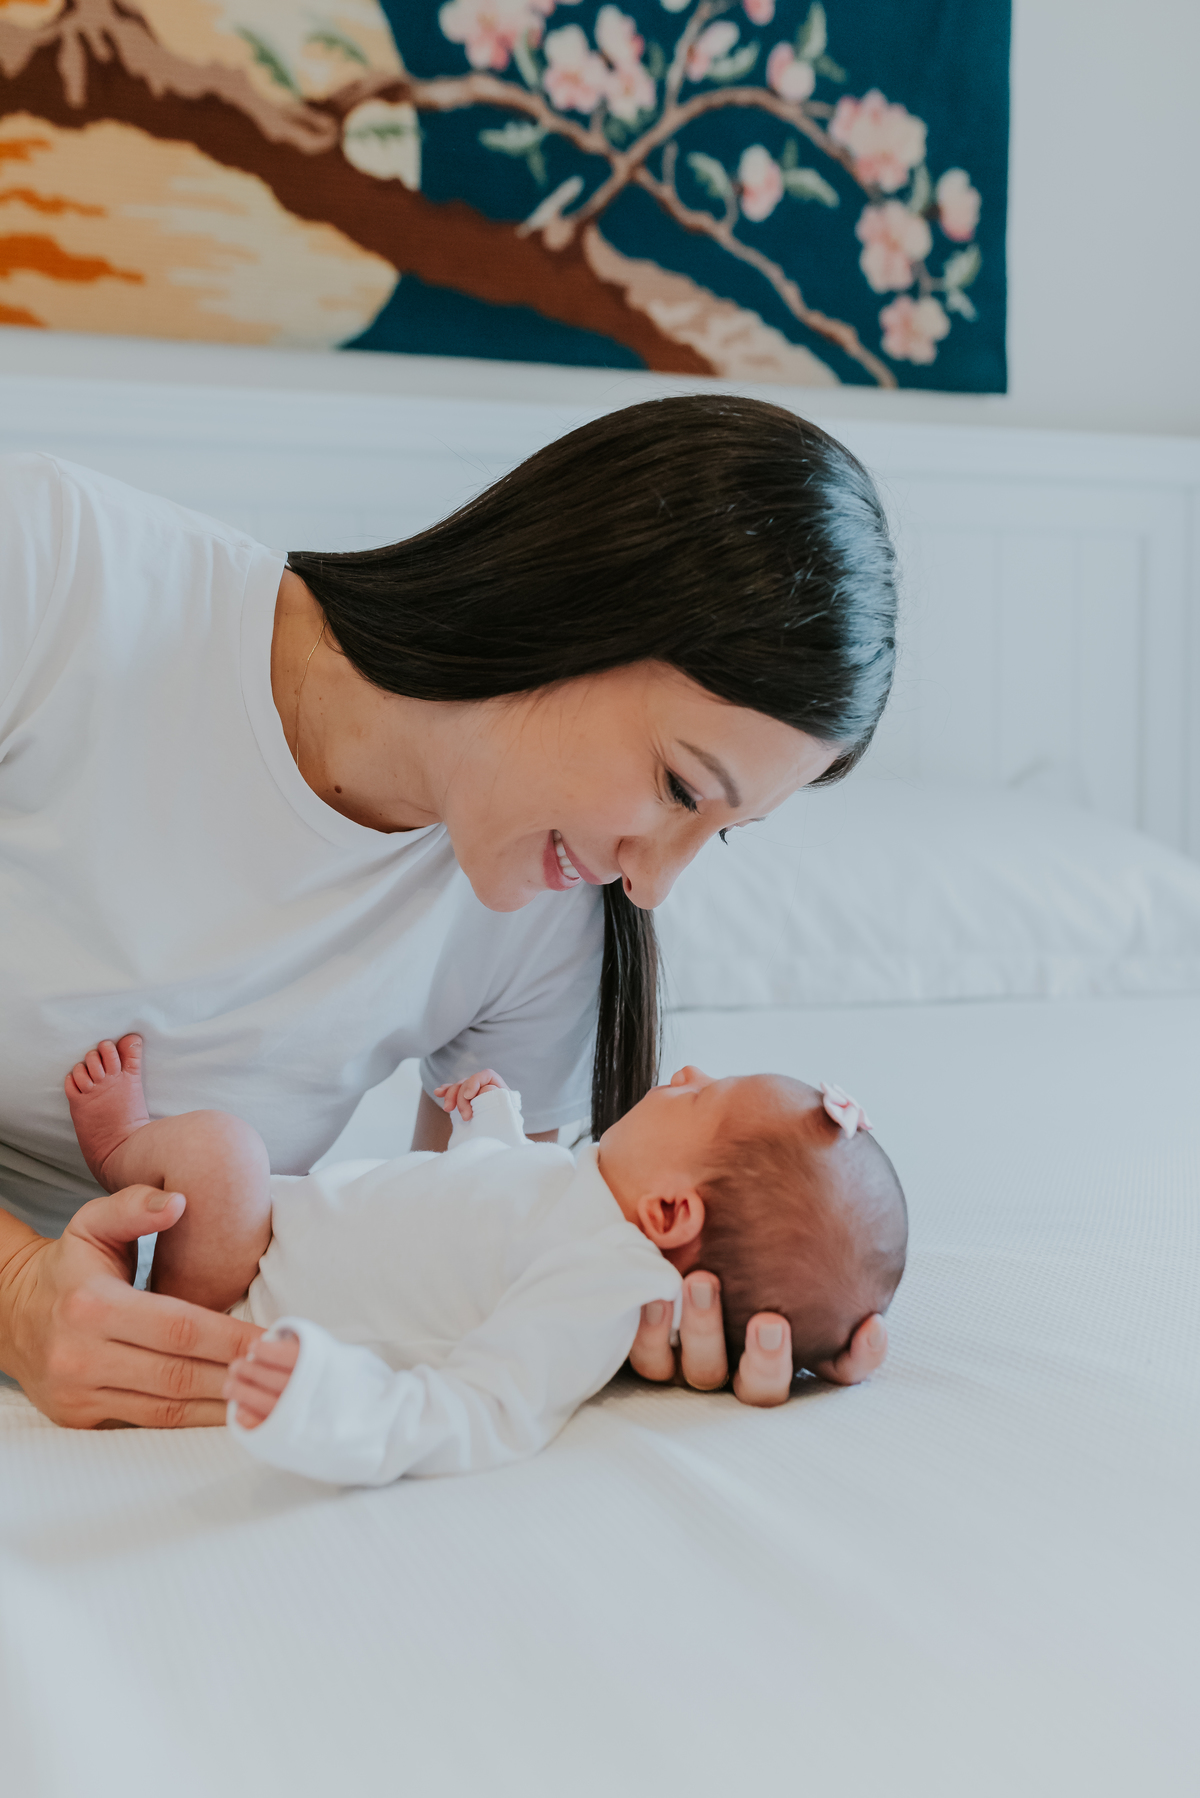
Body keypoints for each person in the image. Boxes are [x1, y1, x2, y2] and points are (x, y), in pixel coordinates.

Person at [0, 396, 898, 1427]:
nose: (650, 884)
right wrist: (19, 1292)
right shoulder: (55, 570)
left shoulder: (546, 920)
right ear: (571, 603)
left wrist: (635, 1305)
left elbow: (461, 1257)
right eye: (680, 787)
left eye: (719, 832)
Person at [62, 1036, 906, 1483]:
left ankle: (124, 1155)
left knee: (222, 1154)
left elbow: (488, 1410)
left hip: (251, 1305)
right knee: (229, 1160)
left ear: (671, 1212)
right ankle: (141, 1185)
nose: (683, 1069)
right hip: (276, 1237)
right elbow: (484, 1205)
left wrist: (329, 1403)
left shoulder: (600, 1280)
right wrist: (488, 1122)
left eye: (698, 1094)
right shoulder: (585, 1190)